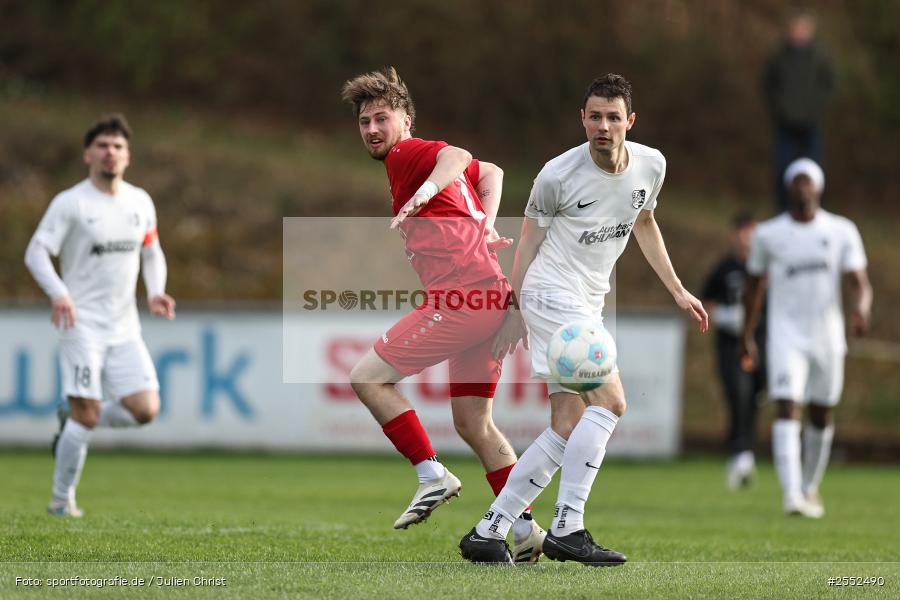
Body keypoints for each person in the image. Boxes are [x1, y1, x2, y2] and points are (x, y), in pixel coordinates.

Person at [459, 74, 708, 565]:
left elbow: (645, 222)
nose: (603, 125)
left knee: (569, 424)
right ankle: (568, 525)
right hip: (551, 294)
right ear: (582, 119)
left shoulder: (651, 165)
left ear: (629, 122)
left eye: (613, 117)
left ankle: (489, 530)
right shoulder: (557, 174)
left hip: (587, 301)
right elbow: (528, 241)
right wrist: (514, 308)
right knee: (611, 403)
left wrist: (677, 290)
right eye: (594, 116)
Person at [340, 67, 545, 562]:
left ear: (405, 120)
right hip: (488, 297)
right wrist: (487, 223)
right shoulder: (409, 159)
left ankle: (432, 475)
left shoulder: (407, 154)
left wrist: (429, 191)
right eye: (364, 121)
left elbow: (460, 156)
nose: (371, 129)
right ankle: (525, 529)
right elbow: (491, 171)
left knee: (367, 378)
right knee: (475, 424)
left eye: (381, 118)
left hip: (463, 299)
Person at [24, 114, 176, 517]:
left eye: (119, 147)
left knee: (145, 410)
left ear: (128, 156)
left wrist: (156, 290)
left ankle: (71, 417)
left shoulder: (140, 201)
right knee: (87, 414)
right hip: (82, 326)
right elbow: (36, 252)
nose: (111, 153)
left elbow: (151, 251)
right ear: (88, 153)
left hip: (125, 327)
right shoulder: (71, 203)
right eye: (104, 146)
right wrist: (59, 294)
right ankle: (61, 501)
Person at [741, 158, 871, 518]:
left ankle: (808, 487)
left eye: (808, 182)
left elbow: (859, 281)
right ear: (788, 187)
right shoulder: (769, 234)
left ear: (819, 187)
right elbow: (753, 289)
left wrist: (861, 309)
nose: (802, 188)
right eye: (796, 182)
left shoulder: (842, 230)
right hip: (786, 335)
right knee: (786, 404)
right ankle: (791, 496)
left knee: (821, 412)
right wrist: (747, 335)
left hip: (828, 337)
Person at [701, 212, 767, 489]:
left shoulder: (766, 269)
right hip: (730, 343)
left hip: (762, 340)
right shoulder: (724, 269)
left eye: (752, 231)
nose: (747, 237)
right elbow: (707, 302)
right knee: (737, 393)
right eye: (742, 231)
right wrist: (728, 317)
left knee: (756, 395)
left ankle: (744, 451)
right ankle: (740, 452)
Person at [764, 10, 834, 210]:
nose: (798, 33)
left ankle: (814, 209)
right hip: (785, 123)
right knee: (783, 168)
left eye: (802, 29)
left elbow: (829, 84)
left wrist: (816, 107)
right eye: (795, 28)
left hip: (811, 124)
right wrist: (779, 109)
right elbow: (769, 86)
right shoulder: (779, 56)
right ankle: (784, 208)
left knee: (813, 170)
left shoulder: (820, 56)